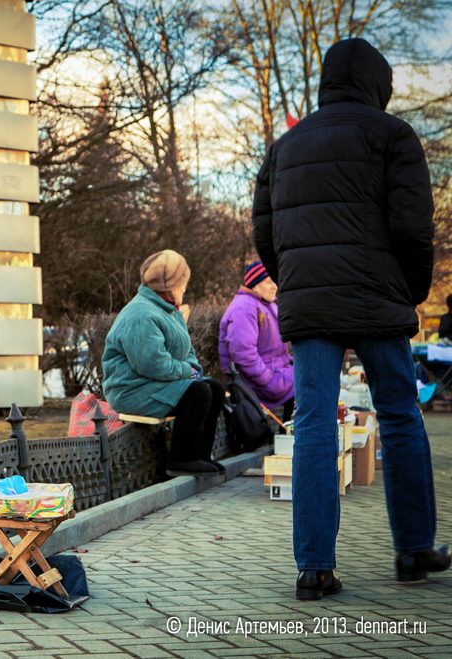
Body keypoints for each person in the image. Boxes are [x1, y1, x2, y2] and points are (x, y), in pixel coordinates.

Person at [252, 38, 447, 601]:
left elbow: (264, 231)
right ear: (377, 84)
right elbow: (413, 224)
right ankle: (413, 550)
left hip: (312, 305)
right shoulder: (392, 135)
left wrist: (294, 280)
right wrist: (409, 290)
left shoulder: (285, 146)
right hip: (379, 296)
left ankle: (314, 570)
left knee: (313, 425)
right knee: (402, 415)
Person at [102, 250, 225, 476]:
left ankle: (200, 457)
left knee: (214, 389)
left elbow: (186, 350)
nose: (185, 289)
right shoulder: (141, 314)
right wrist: (187, 372)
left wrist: (193, 369)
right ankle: (181, 460)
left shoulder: (169, 310)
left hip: (154, 383)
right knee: (198, 392)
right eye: (182, 284)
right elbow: (152, 364)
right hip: (132, 389)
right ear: (169, 286)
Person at [218, 261, 295, 423]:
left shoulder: (268, 305)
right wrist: (268, 379)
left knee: (310, 378)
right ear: (254, 284)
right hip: (256, 383)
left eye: (276, 281)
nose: (275, 286)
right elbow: (243, 354)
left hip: (277, 373)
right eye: (269, 282)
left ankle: (290, 435)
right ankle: (292, 438)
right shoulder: (244, 308)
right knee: (308, 384)